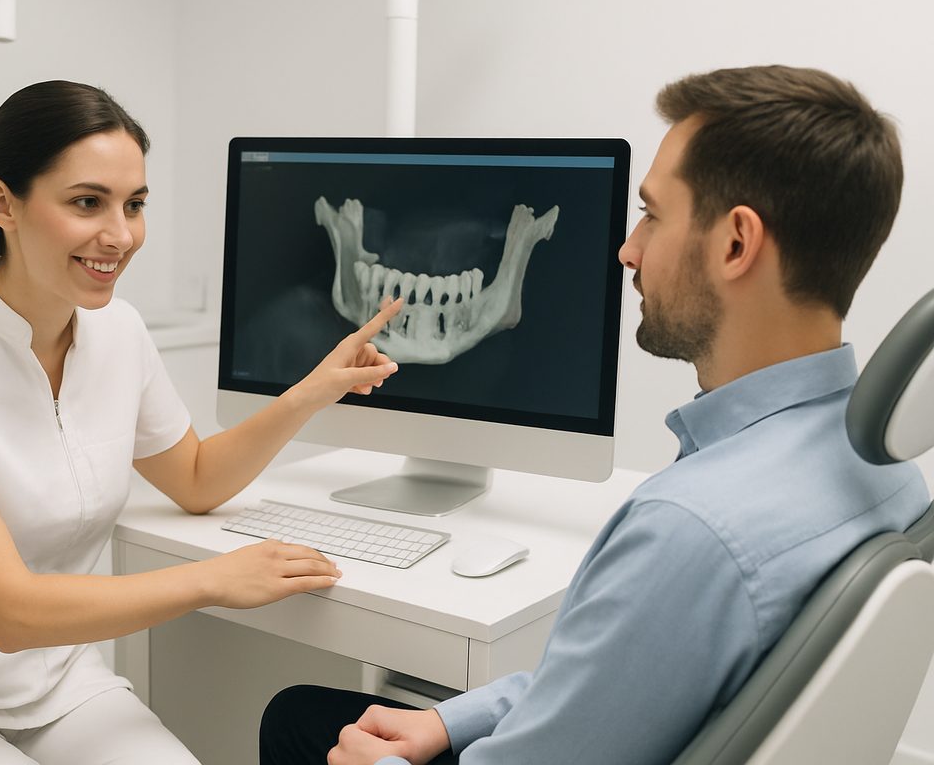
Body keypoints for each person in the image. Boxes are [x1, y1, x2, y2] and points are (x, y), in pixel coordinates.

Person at [258, 64, 931, 765]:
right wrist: (453, 721)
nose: (628, 249)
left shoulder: (691, 529)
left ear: (736, 243)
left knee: (299, 724)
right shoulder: (887, 471)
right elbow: (612, 692)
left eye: (653, 214)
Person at [0, 80, 404, 765]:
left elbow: (194, 478)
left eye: (135, 204)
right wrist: (213, 580)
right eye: (87, 202)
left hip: (58, 682)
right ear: (3, 202)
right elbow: (10, 613)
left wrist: (309, 392)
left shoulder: (116, 330)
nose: (120, 235)